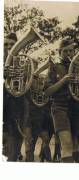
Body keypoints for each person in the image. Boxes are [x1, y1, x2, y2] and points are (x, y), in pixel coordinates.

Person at [45, 38, 76, 162]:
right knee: (67, 143)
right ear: (59, 52)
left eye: (71, 51)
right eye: (65, 51)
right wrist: (63, 81)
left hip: (76, 108)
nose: (69, 54)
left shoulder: (78, 67)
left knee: (75, 144)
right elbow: (47, 92)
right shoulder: (54, 67)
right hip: (59, 107)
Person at [3, 32, 26, 161]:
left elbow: (29, 85)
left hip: (18, 105)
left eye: (12, 44)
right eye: (5, 44)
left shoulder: (24, 62)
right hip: (3, 107)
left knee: (17, 138)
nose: (9, 46)